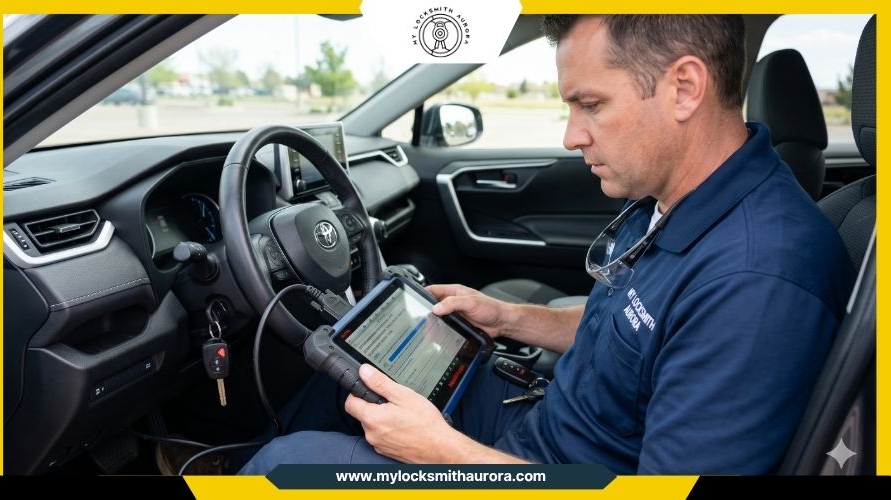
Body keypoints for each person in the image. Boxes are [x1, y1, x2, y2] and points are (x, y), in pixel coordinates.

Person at [239, 14, 854, 474]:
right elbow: (643, 324)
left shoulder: (757, 281)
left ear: (684, 88)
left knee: (286, 468)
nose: (570, 136)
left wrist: (444, 452)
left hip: (550, 468)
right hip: (540, 423)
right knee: (353, 365)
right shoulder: (683, 196)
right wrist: (509, 317)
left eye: (591, 104)